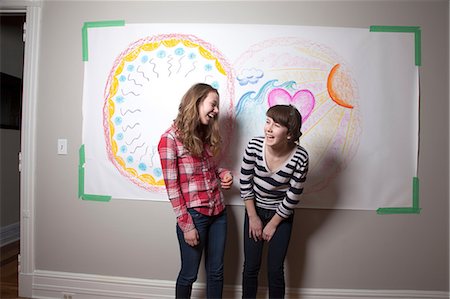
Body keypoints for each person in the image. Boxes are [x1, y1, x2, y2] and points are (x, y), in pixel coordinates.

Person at [158, 83, 233, 299]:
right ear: (197, 102)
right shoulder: (169, 140)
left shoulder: (204, 133)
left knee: (216, 272)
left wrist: (223, 173)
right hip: (195, 217)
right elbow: (172, 189)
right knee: (189, 275)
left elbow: (209, 167)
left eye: (217, 106)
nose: (216, 110)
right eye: (213, 104)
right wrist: (187, 226)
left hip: (219, 213)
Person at [240, 104, 309, 299]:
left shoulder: (301, 157)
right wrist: (253, 217)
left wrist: (272, 224)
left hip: (281, 215)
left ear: (289, 133)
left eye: (276, 125)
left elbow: (293, 195)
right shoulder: (254, 146)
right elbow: (245, 182)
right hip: (254, 209)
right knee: (251, 267)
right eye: (268, 122)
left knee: (275, 270)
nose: (268, 128)